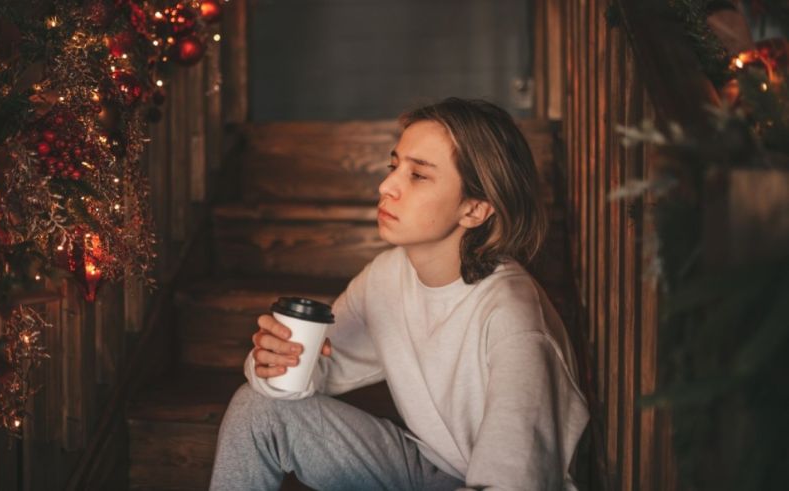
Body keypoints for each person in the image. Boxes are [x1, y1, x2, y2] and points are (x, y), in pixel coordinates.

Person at [210, 97, 589, 490]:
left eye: (419, 175)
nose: (386, 185)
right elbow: (313, 373)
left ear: (475, 210)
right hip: (425, 467)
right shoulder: (388, 275)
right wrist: (274, 361)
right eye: (395, 166)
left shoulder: (515, 321)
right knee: (256, 407)